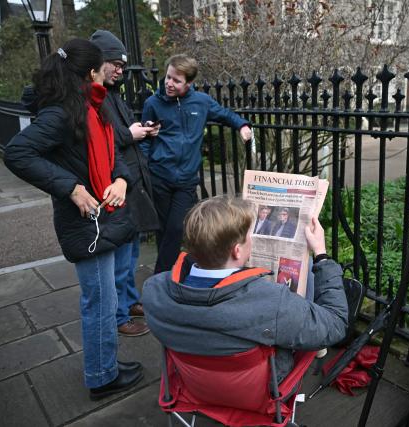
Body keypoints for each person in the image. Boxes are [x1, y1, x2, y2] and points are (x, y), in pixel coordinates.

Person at [4, 39, 143, 400]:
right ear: (90, 73)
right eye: (102, 68)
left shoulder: (91, 107)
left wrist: (121, 180)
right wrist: (72, 188)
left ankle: (105, 365)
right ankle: (101, 376)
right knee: (100, 302)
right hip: (86, 223)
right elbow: (17, 153)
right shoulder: (62, 114)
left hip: (103, 218)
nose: (107, 73)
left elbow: (114, 156)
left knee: (107, 299)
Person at [141, 196, 348, 382]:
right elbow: (336, 324)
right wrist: (321, 254)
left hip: (194, 386)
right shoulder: (271, 303)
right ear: (237, 250)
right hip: (259, 393)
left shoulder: (154, 291)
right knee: (309, 270)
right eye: (250, 235)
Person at [140, 54, 253, 273]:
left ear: (189, 83)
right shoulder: (153, 104)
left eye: (177, 80)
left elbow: (223, 114)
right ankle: (169, 276)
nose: (170, 84)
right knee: (164, 230)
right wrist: (144, 167)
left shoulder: (201, 102)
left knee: (176, 228)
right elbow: (145, 138)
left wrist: (242, 125)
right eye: (168, 77)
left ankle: (160, 277)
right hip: (159, 175)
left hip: (186, 179)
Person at [90, 30, 159, 337]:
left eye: (121, 64)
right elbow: (101, 140)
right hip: (114, 189)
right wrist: (130, 135)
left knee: (130, 254)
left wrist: (139, 130)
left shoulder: (111, 95)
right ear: (98, 61)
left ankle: (129, 301)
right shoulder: (92, 98)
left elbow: (118, 135)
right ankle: (118, 317)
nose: (119, 70)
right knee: (119, 258)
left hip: (130, 183)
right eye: (114, 63)